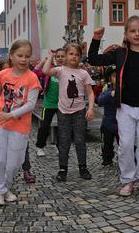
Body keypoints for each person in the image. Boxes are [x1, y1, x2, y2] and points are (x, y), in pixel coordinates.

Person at [87, 16, 139, 197]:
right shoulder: (120, 54)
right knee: (125, 145)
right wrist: (96, 39)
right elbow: (93, 59)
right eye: (133, 31)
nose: (137, 34)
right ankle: (127, 180)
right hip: (124, 107)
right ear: (126, 34)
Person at [0, 40, 41, 206]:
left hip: (20, 126)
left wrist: (11, 115)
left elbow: (31, 104)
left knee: (14, 162)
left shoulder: (32, 78)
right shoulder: (4, 74)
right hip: (2, 125)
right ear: (11, 56)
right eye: (20, 55)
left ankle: (5, 188)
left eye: (27, 56)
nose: (23, 59)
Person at [43, 43, 95, 182]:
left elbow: (90, 93)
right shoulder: (60, 70)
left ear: (80, 57)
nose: (74, 56)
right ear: (65, 56)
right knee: (64, 141)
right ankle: (62, 169)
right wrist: (50, 57)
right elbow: (46, 71)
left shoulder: (83, 73)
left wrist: (90, 108)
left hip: (79, 111)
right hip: (63, 111)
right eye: (71, 54)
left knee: (80, 140)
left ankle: (83, 167)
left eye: (77, 54)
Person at [33, 48, 65, 157]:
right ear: (55, 58)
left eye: (62, 56)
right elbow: (35, 73)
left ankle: (60, 148)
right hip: (48, 104)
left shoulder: (69, 70)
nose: (60, 58)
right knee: (44, 126)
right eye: (58, 56)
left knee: (63, 127)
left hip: (63, 105)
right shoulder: (49, 68)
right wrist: (44, 61)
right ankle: (40, 147)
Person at [97, 65, 119, 166]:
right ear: (110, 78)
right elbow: (100, 101)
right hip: (108, 123)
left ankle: (125, 157)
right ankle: (107, 159)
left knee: (125, 144)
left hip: (122, 124)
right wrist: (110, 94)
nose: (117, 78)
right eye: (115, 76)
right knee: (107, 144)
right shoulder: (108, 90)